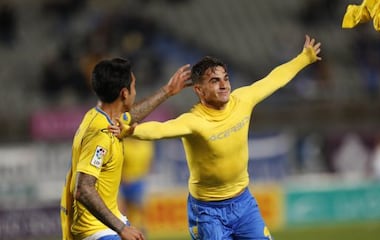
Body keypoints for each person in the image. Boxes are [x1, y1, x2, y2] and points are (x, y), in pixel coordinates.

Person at [117, 35, 322, 239]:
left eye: (226, 78)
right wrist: (131, 131)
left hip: (243, 204)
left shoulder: (243, 100)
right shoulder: (194, 121)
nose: (224, 85)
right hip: (207, 212)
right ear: (199, 90)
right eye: (215, 81)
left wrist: (304, 58)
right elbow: (160, 130)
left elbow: (274, 79)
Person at [60, 58, 191, 240]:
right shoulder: (100, 133)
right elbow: (83, 188)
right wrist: (122, 229)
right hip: (95, 231)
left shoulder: (102, 117)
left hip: (108, 223)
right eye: (134, 87)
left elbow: (131, 116)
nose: (135, 92)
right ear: (124, 93)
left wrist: (167, 91)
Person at [118, 112, 155, 235]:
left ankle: (142, 232)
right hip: (125, 181)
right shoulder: (124, 144)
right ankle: (130, 232)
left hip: (139, 180)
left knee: (140, 209)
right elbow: (119, 165)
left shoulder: (147, 144)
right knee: (126, 210)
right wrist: (123, 178)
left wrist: (144, 175)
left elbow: (149, 162)